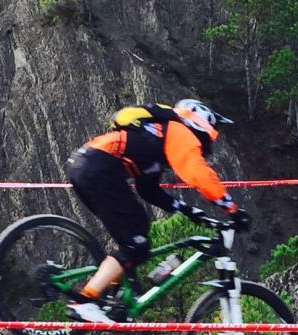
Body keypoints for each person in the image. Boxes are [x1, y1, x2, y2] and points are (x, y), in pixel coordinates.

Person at [66, 99, 251, 323]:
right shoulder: (180, 131)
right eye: (214, 132)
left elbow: (149, 190)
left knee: (137, 233)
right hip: (97, 170)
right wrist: (231, 209)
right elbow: (198, 173)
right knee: (136, 245)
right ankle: (86, 301)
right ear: (203, 123)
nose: (210, 142)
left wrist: (188, 210)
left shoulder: (155, 140)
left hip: (84, 166)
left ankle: (115, 298)